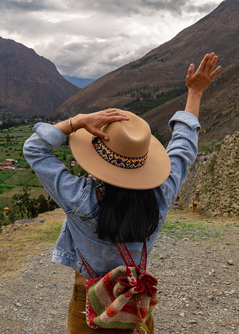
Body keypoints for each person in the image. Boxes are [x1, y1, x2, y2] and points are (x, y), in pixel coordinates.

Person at [23, 53, 220, 333]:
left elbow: (34, 149)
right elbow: (183, 148)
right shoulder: (161, 196)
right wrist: (195, 93)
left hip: (88, 303)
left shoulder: (80, 198)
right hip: (134, 305)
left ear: (99, 160)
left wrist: (76, 121)